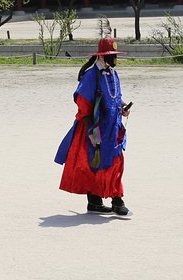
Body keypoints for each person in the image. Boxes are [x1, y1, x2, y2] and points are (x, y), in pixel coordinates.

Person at [54, 37, 131, 216]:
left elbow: (115, 96)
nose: (115, 59)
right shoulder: (90, 75)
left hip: (113, 127)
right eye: (112, 56)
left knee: (114, 161)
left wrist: (123, 108)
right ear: (102, 57)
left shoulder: (112, 73)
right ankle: (115, 201)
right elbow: (83, 104)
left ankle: (102, 201)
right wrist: (91, 131)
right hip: (96, 128)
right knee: (96, 163)